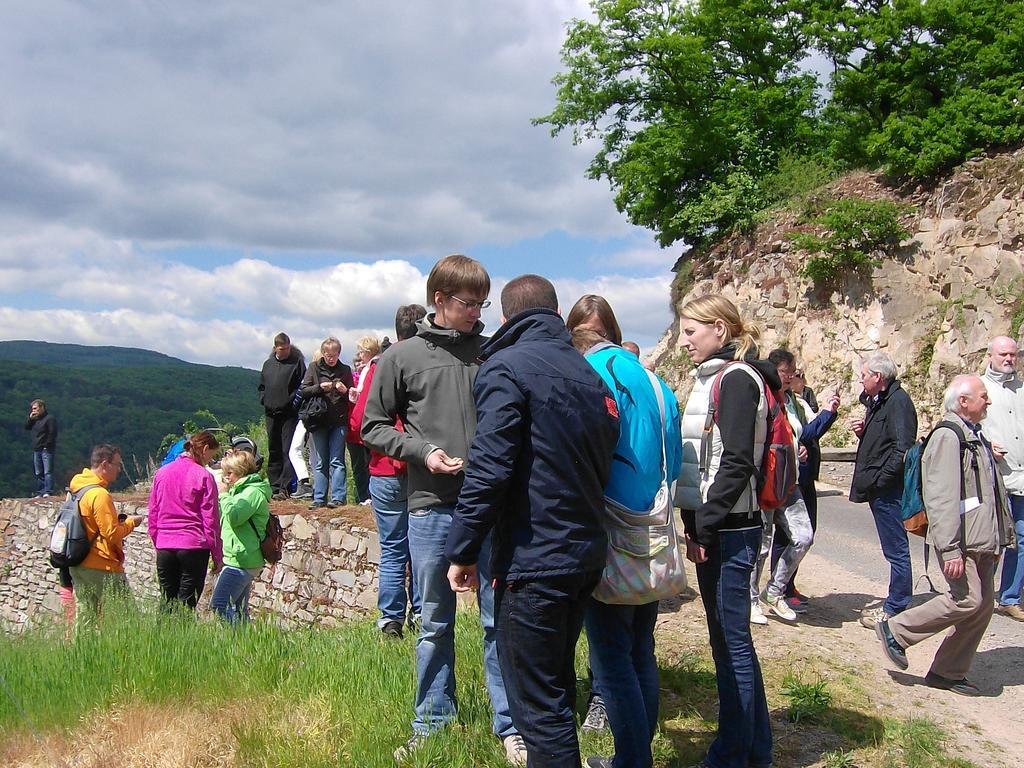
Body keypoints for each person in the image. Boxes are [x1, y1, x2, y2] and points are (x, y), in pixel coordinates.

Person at [445, 277, 620, 768]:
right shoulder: (589, 375)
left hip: (535, 558)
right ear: (556, 312)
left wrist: (462, 549)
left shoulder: (506, 367)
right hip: (583, 554)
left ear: (505, 319)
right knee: (556, 687)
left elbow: (490, 467)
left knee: (537, 707)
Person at [361, 255, 525, 764]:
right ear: (439, 301)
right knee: (435, 619)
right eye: (467, 303)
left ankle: (511, 726)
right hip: (431, 504)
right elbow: (370, 425)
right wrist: (422, 451)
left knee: (501, 620)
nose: (476, 312)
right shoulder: (402, 357)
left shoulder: (495, 351)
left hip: (493, 505)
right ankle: (432, 722)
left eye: (482, 303)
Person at [567, 296, 680, 768]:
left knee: (611, 658)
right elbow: (674, 462)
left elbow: (580, 458)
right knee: (640, 649)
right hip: (653, 526)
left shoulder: (590, 377)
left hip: (608, 530)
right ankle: (636, 754)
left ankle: (632, 760)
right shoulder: (655, 382)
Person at [677, 294, 772, 768]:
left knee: (730, 642)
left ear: (719, 328)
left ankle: (731, 754)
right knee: (730, 639)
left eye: (690, 331)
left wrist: (705, 527)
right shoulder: (717, 378)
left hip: (731, 531)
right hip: (725, 528)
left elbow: (736, 463)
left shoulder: (735, 380)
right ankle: (756, 749)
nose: (684, 340)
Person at [874, 375, 1014, 695]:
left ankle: (947, 672)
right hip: (960, 540)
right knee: (967, 600)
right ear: (963, 401)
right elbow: (941, 496)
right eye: (983, 396)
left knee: (982, 606)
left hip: (980, 539)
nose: (988, 401)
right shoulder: (949, 436)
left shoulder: (972, 435)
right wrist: (950, 549)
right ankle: (896, 630)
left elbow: (986, 493)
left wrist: (998, 537)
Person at [751, 349, 839, 624]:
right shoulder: (762, 395)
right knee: (762, 545)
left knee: (803, 536)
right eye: (785, 371)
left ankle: (774, 591)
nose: (790, 377)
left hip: (790, 481)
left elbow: (802, 433)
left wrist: (798, 448)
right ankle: (750, 599)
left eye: (793, 371)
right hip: (767, 480)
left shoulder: (794, 401)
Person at [355, 306, 425, 638]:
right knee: (423, 547)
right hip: (422, 468)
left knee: (394, 548)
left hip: (383, 470)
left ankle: (390, 620)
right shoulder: (428, 361)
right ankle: (424, 614)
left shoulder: (378, 366)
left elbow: (359, 424)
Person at [850, 352, 918, 628]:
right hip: (880, 486)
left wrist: (881, 480)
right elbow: (885, 440)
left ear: (878, 377)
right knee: (894, 548)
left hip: (888, 490)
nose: (860, 380)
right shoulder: (882, 401)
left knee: (896, 549)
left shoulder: (898, 402)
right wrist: (863, 432)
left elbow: (903, 447)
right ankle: (898, 599)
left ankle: (897, 605)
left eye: (864, 375)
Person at [148, 431, 223, 611]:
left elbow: (153, 513)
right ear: (204, 449)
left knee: (166, 602)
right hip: (193, 546)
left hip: (166, 545)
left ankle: (162, 638)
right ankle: (183, 638)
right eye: (211, 456)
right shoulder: (204, 476)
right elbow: (210, 519)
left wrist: (158, 541)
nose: (210, 461)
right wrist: (217, 555)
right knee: (187, 604)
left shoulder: (162, 473)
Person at [68, 444, 144, 618]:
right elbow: (111, 534)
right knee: (126, 618)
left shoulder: (77, 490)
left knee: (86, 618)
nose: (119, 470)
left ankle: (82, 646)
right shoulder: (99, 495)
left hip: (79, 562)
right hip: (101, 564)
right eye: (116, 464)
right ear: (104, 464)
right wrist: (131, 523)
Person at [980, 335, 1024, 621]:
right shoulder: (977, 387)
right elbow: (962, 426)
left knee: (1022, 538)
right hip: (992, 477)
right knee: (990, 542)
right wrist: (986, 445)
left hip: (1021, 477)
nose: (1009, 359)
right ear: (990, 355)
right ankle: (980, 597)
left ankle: (1009, 596)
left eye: (1013, 355)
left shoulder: (1021, 388)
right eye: (1003, 355)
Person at [210, 450, 271, 623]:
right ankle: (244, 645)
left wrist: (223, 494)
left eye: (229, 473)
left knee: (219, 605)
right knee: (238, 610)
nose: (226, 477)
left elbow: (235, 517)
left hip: (242, 560)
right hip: (240, 557)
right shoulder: (240, 491)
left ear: (241, 471)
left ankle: (236, 641)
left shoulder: (252, 493)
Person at [301, 337, 354, 510]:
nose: (331, 358)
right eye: (328, 354)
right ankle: (319, 497)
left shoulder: (345, 370)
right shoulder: (314, 368)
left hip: (339, 420)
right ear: (323, 353)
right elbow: (304, 391)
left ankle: (338, 498)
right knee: (321, 460)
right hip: (319, 419)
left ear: (339, 353)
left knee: (337, 460)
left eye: (334, 355)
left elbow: (352, 397)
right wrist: (319, 387)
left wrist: (345, 390)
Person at [258, 332, 306, 500]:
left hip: (289, 414)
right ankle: (274, 486)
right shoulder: (268, 364)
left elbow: (302, 386)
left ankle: (285, 488)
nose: (285, 351)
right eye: (281, 349)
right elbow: (262, 386)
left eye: (287, 348)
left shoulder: (297, 363)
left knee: (287, 449)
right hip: (271, 412)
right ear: (275, 348)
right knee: (274, 449)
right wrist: (264, 400)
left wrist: (292, 404)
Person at [346, 336, 379, 506]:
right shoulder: (369, 368)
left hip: (362, 423)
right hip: (361, 423)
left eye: (360, 350)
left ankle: (368, 496)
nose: (359, 354)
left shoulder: (372, 368)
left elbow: (367, 398)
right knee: (363, 464)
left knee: (364, 464)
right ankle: (366, 496)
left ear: (367, 351)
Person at [25, 399, 58, 497]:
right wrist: (30, 419)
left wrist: (47, 445)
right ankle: (40, 492)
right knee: (39, 472)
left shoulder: (49, 418)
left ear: (42, 407)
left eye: (35, 408)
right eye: (32, 409)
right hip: (37, 448)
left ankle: (48, 491)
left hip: (46, 449)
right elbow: (27, 427)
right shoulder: (35, 419)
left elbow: (52, 433)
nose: (34, 411)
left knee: (47, 471)